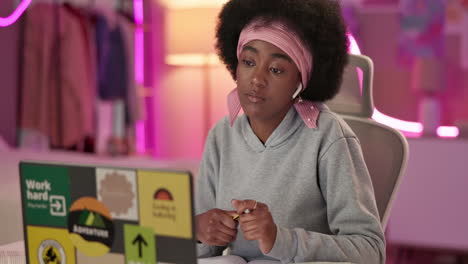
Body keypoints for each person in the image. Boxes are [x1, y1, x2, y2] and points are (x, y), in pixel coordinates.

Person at [195, 0, 385, 263]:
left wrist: (280, 239)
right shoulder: (221, 135)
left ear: (301, 79)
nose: (257, 79)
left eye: (276, 69)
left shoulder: (328, 137)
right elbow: (205, 253)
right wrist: (198, 233)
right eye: (248, 62)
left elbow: (370, 251)